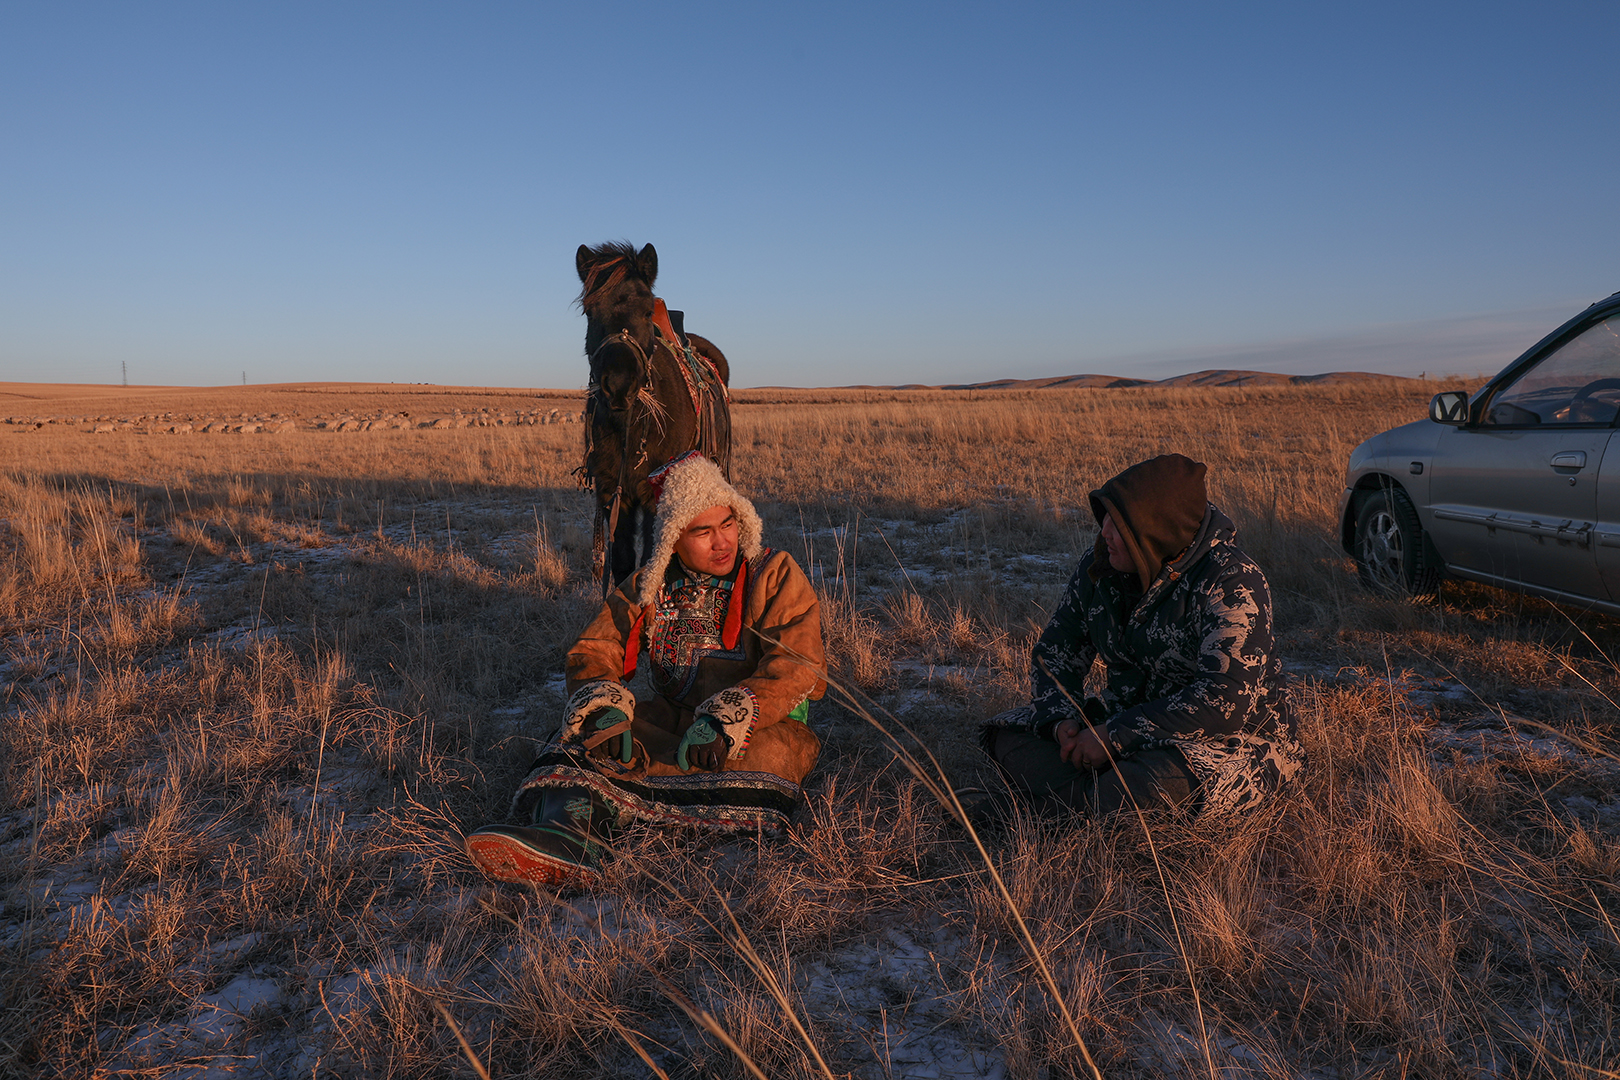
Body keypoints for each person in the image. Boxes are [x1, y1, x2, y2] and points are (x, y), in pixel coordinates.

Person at [465, 451, 825, 886]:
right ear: (673, 538)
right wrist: (605, 709)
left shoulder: (773, 573)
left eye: (728, 524)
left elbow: (799, 664)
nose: (722, 541)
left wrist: (727, 718)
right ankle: (568, 838)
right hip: (672, 719)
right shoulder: (647, 585)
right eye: (703, 531)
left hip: (759, 727)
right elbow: (596, 649)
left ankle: (627, 814)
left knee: (768, 759)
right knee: (580, 741)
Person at [981, 453, 1304, 819]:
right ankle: (1090, 805)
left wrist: (1113, 736)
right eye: (1105, 518)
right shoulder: (1101, 566)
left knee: (1147, 784)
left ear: (1156, 531)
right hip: (1124, 720)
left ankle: (1045, 811)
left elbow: (1224, 701)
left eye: (1119, 524)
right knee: (1004, 735)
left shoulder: (1232, 581)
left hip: (1227, 742)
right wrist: (1061, 724)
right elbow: (1056, 652)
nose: (1104, 531)